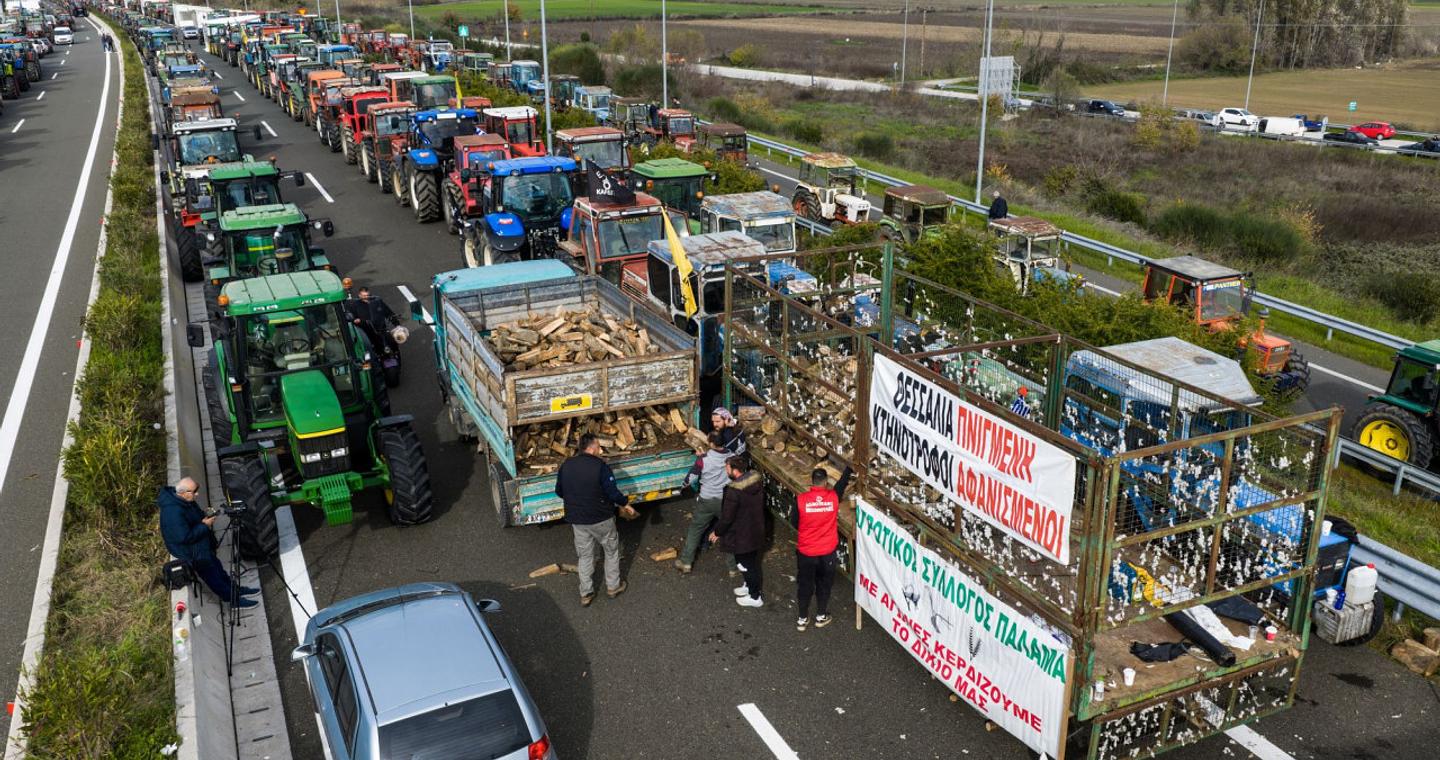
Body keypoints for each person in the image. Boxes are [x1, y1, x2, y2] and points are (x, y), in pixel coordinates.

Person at [555, 434, 635, 606]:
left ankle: (586, 593)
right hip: (601, 518)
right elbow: (612, 493)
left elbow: (559, 491)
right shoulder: (601, 467)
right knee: (611, 551)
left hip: (578, 520)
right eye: (599, 446)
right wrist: (625, 504)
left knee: (585, 556)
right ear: (591, 448)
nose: (600, 450)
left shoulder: (567, 465)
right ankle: (613, 587)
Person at [158, 477, 259, 608]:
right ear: (183, 493)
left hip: (201, 544)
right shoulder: (172, 512)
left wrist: (205, 515)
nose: (197, 494)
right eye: (194, 491)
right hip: (192, 552)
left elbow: (193, 518)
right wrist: (205, 525)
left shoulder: (184, 501)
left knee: (218, 570)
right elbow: (184, 538)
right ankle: (233, 600)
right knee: (213, 577)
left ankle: (235, 589)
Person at [794, 466, 851, 631]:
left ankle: (802, 619)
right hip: (827, 552)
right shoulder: (833, 497)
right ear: (825, 482)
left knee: (805, 585)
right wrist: (848, 470)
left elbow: (794, 522)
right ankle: (820, 615)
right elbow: (841, 485)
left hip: (806, 552)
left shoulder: (800, 500)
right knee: (824, 584)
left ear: (811, 481)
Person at [674, 432, 737, 575]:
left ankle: (686, 562)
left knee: (696, 529)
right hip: (726, 500)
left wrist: (681, 487)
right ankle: (733, 568)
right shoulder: (732, 456)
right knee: (729, 531)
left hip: (706, 500)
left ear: (711, 443)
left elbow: (691, 478)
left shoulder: (703, 459)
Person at [710, 455, 765, 607]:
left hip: (742, 536)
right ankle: (748, 585)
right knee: (751, 562)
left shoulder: (734, 492)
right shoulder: (756, 482)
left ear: (735, 470)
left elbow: (727, 518)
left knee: (746, 566)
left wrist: (717, 532)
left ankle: (755, 597)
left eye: (727, 468)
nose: (725, 470)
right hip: (755, 530)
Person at [346, 285, 400, 351]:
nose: (366, 297)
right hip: (366, 331)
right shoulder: (355, 305)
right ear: (359, 295)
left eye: (368, 295)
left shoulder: (377, 302)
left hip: (380, 328)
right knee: (367, 348)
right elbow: (351, 317)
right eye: (364, 296)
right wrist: (355, 320)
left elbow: (388, 312)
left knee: (392, 342)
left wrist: (397, 324)